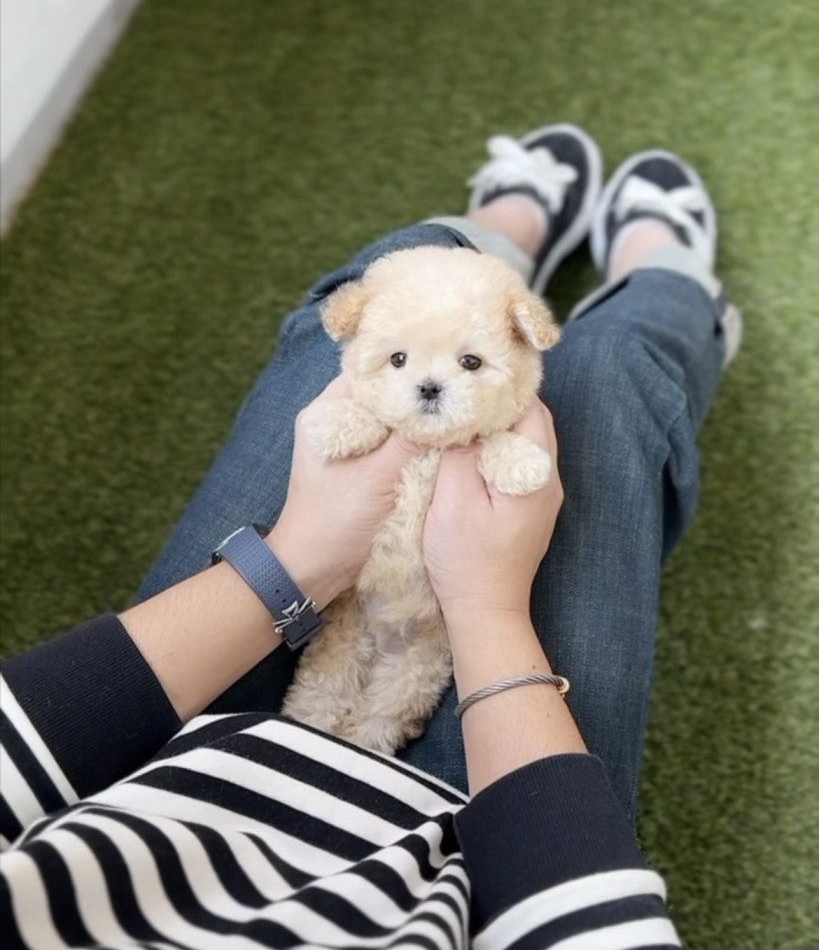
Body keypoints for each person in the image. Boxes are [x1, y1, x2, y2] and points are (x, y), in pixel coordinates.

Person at [0, 123, 740, 949]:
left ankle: (502, 246)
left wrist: (300, 557)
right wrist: (487, 607)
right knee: (610, 377)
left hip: (160, 764)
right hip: (477, 872)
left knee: (402, 266)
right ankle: (667, 277)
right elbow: (591, 925)